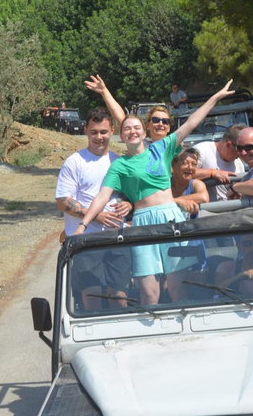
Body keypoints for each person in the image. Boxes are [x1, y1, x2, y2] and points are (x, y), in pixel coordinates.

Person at [73, 79, 235, 305]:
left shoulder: (162, 148)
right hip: (142, 224)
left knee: (178, 288)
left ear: (143, 130)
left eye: (136, 127)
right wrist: (82, 225)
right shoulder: (119, 165)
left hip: (170, 218)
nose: (132, 131)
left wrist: (215, 98)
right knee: (149, 293)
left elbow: (191, 122)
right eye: (127, 129)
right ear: (120, 133)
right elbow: (102, 196)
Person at [55, 107, 132, 310]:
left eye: (104, 132)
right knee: (92, 298)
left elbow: (132, 196)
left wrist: (129, 204)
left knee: (120, 298)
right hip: (86, 242)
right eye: (94, 132)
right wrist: (95, 217)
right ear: (86, 130)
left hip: (117, 239)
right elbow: (63, 201)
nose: (99, 137)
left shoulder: (120, 162)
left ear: (112, 131)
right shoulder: (75, 162)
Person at [84, 75, 170, 146]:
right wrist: (104, 92)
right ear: (148, 125)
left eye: (165, 121)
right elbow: (121, 118)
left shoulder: (175, 147)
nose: (160, 124)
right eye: (156, 120)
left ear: (169, 127)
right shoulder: (142, 146)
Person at [193, 124, 247, 202]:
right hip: (205, 211)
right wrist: (212, 173)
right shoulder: (201, 151)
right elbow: (181, 175)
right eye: (240, 149)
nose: (243, 153)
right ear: (228, 144)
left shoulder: (238, 164)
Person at [170, 148, 209, 219]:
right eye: (185, 163)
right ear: (173, 164)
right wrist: (178, 201)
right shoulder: (165, 184)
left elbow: (204, 198)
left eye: (194, 164)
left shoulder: (196, 184)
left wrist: (176, 200)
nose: (190, 167)